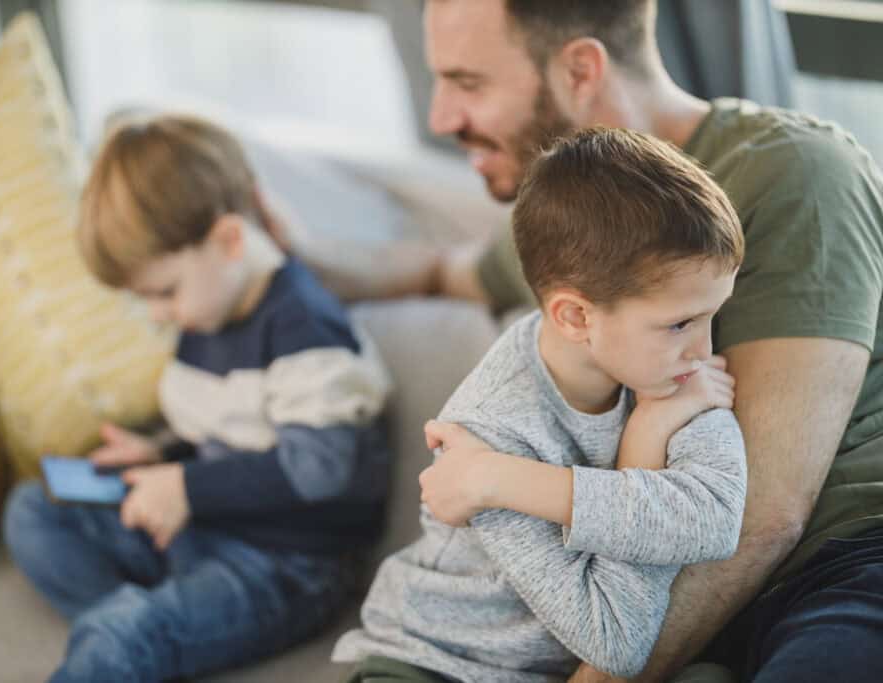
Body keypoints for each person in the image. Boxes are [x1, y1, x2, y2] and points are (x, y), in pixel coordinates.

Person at [325, 2, 883, 681]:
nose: (441, 117)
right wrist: (283, 254)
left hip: (842, 561)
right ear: (571, 312)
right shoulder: (575, 226)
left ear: (581, 69)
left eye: (469, 82)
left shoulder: (795, 173)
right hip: (679, 599)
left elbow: (763, 518)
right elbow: (444, 270)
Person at [333, 127, 748, 683]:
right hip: (431, 661)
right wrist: (645, 449)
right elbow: (615, 639)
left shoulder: (673, 376)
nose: (704, 349)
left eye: (711, 314)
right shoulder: (484, 435)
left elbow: (715, 522)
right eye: (679, 323)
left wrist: (509, 479)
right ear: (576, 317)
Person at [2, 114, 392, 682]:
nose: (160, 314)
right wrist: (162, 458)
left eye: (163, 292)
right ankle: (156, 633)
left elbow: (318, 470)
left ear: (229, 240)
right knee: (33, 512)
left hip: (286, 565)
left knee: (119, 633)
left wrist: (184, 487)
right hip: (205, 527)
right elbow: (226, 432)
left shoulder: (305, 329)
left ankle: (137, 635)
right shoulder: (209, 305)